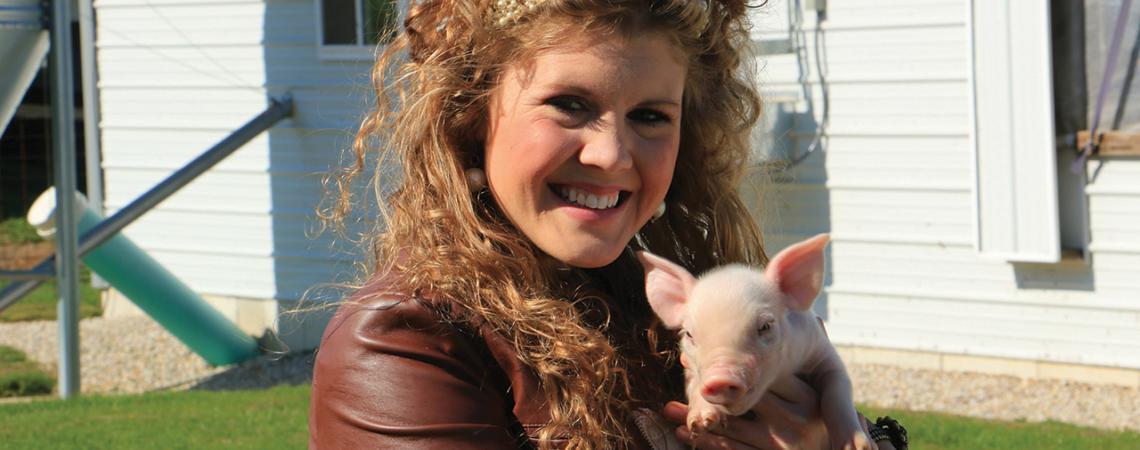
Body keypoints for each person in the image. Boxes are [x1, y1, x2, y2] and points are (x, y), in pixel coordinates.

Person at [309, 0, 903, 449]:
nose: (613, 155)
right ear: (471, 115)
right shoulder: (402, 340)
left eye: (649, 115)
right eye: (569, 105)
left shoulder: (666, 298)